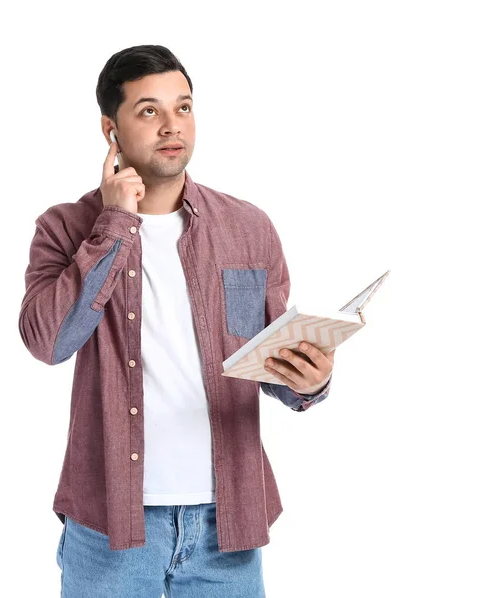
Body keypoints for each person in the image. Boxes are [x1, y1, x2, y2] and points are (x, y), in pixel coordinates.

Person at [18, 44, 335, 598]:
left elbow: (266, 362)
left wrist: (310, 383)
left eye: (183, 107)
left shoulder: (247, 227)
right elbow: (49, 341)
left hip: (227, 526)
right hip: (111, 526)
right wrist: (115, 222)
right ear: (109, 130)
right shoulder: (67, 228)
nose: (172, 126)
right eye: (148, 110)